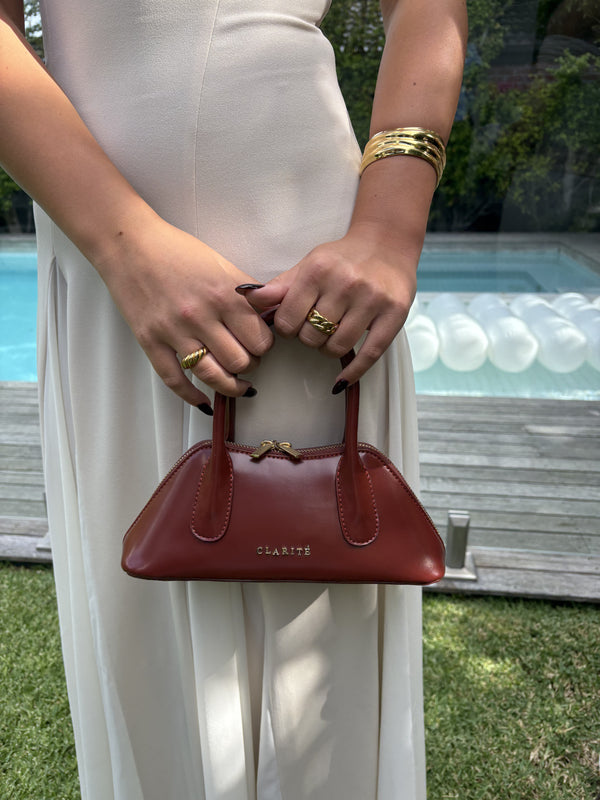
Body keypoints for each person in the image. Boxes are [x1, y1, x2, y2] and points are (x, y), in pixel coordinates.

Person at [0, 0, 467, 797]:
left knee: (316, 680)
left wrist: (392, 225)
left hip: (292, 275)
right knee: (141, 652)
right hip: (103, 259)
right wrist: (124, 246)